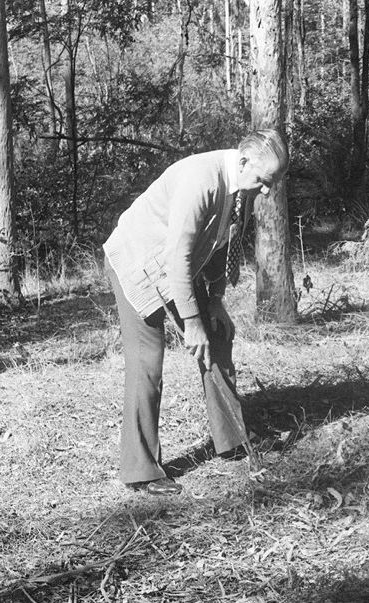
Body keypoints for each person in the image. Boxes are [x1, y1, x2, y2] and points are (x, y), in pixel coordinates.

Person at [103, 129, 288, 495]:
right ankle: (140, 470)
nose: (266, 191)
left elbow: (222, 243)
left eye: (272, 184)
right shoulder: (199, 180)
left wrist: (214, 301)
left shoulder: (243, 188)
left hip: (176, 267)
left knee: (217, 335)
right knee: (147, 359)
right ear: (244, 159)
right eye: (264, 181)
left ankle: (233, 439)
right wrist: (191, 322)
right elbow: (178, 257)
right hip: (139, 262)